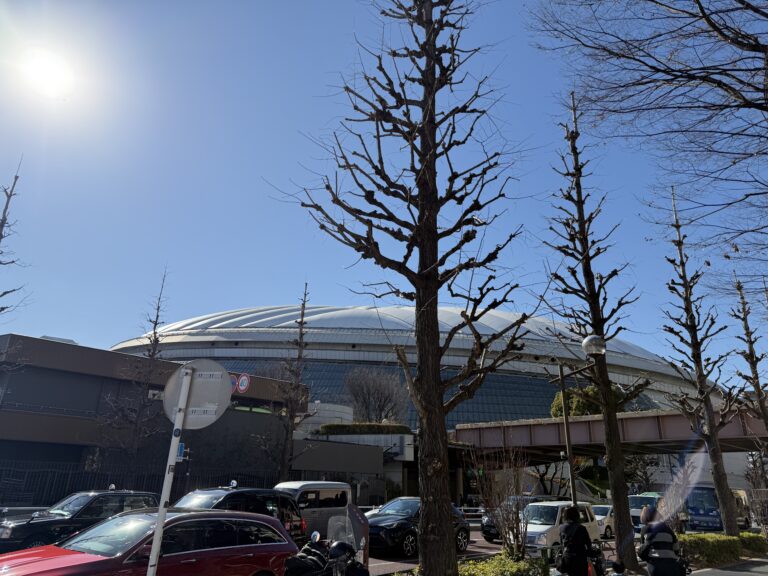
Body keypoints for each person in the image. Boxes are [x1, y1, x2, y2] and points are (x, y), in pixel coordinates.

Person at [638, 507, 681, 576]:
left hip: (655, 566)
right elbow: (676, 548)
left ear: (645, 517)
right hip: (671, 566)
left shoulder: (645, 530)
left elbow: (643, 550)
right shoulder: (668, 529)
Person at [558, 505, 592, 576]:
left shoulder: (561, 528)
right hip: (580, 559)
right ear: (577, 515)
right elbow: (588, 543)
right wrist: (590, 552)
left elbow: (562, 543)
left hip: (567, 558)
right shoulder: (582, 528)